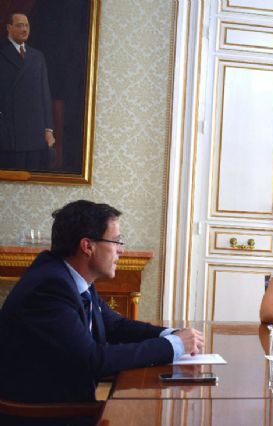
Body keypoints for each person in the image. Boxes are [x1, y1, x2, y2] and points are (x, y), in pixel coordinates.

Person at [0, 200, 204, 404]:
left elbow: (115, 325)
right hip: (41, 413)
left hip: (65, 402)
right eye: (116, 241)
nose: (121, 250)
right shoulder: (50, 287)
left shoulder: (71, 277)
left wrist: (170, 334)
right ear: (88, 246)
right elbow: (92, 359)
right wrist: (174, 346)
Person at [0, 12, 55, 171]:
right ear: (9, 28)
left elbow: (45, 95)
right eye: (19, 25)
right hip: (9, 132)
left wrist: (49, 130)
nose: (24, 29)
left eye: (26, 25)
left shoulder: (37, 56)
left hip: (35, 132)